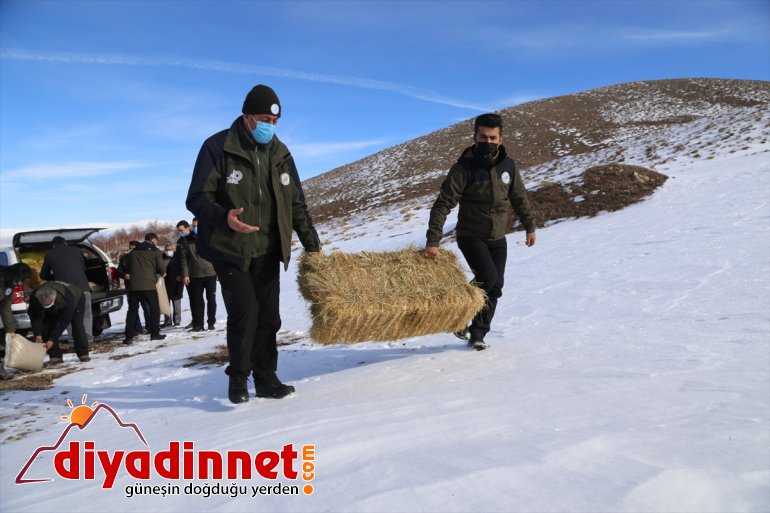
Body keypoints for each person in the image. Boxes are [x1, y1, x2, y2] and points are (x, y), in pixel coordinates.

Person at [186, 84, 321, 404]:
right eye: (264, 119)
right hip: (229, 248)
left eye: (275, 122)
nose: (269, 127)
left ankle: (265, 377)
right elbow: (196, 198)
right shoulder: (218, 147)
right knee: (245, 311)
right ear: (247, 117)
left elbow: (296, 203)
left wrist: (312, 245)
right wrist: (224, 218)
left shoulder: (281, 153)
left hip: (267, 249)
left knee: (269, 317)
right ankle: (238, 378)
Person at [423, 113, 536, 351]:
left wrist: (530, 226)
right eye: (483, 136)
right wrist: (433, 240)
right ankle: (457, 313)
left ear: (500, 139)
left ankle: (477, 333)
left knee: (495, 287)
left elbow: (518, 198)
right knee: (489, 278)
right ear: (474, 137)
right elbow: (443, 203)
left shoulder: (508, 166)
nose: (488, 141)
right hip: (470, 235)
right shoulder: (463, 167)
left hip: (497, 236)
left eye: (492, 137)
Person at [40, 236, 93, 342]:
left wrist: (55, 279)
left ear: (53, 245)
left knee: (68, 316)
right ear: (65, 243)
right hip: (82, 288)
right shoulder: (77, 250)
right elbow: (83, 267)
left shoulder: (49, 255)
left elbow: (43, 275)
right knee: (86, 314)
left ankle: (74, 342)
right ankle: (87, 340)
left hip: (65, 292)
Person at [29, 281, 90, 364]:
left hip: (76, 299)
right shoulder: (34, 298)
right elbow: (35, 316)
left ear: (54, 297)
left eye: (48, 305)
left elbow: (63, 322)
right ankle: (55, 356)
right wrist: (38, 334)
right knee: (47, 325)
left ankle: (83, 352)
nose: (46, 307)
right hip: (54, 302)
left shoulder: (66, 298)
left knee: (77, 325)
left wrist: (52, 339)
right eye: (44, 305)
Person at [123, 233, 166, 345]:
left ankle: (128, 337)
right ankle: (155, 334)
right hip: (149, 285)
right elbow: (161, 267)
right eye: (156, 240)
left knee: (132, 311)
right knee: (154, 309)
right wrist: (162, 272)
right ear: (153, 240)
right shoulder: (155, 251)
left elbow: (127, 268)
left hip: (133, 286)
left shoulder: (133, 253)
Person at [176, 220, 217, 331]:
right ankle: (198, 325)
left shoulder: (208, 237)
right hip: (195, 275)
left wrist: (218, 269)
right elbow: (183, 259)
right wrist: (185, 274)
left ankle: (211, 322)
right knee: (197, 301)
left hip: (210, 272)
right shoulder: (185, 241)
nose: (180, 232)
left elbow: (216, 253)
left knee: (211, 299)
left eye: (197, 226)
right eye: (194, 226)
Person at [0, 263, 33, 379]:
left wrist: (10, 330)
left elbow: (5, 307)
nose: (21, 282)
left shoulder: (9, 285)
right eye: (21, 279)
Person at [117, 240, 150, 334]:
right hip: (130, 287)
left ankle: (149, 326)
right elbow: (119, 271)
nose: (132, 250)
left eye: (134, 248)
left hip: (143, 286)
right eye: (130, 248)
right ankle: (137, 328)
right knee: (133, 308)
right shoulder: (124, 258)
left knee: (147, 307)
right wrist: (124, 275)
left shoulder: (144, 258)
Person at [162, 243, 183, 327]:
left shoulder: (178, 257)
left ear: (173, 249)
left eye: (170, 249)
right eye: (167, 250)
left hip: (176, 283)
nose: (168, 251)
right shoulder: (162, 257)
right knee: (165, 304)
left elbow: (182, 268)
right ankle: (167, 321)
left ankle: (177, 321)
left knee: (176, 304)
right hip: (164, 284)